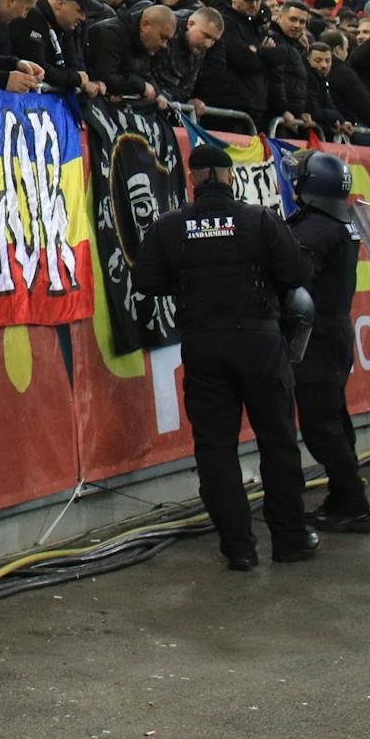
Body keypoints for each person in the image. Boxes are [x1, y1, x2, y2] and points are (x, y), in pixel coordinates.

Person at [132, 144, 320, 571]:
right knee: (278, 441)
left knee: (215, 448)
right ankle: (289, 539)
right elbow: (298, 274)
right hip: (260, 341)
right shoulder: (259, 219)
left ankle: (239, 547)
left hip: (204, 343)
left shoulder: (171, 226)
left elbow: (145, 279)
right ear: (230, 176)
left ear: (193, 177)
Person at [287, 152, 370, 533]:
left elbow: (293, 279)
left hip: (317, 335)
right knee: (335, 419)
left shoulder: (314, 229)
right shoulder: (339, 222)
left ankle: (353, 504)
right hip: (334, 330)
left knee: (322, 425)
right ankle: (344, 498)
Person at [3, 0, 98, 97]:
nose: (83, 18)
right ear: (59, 4)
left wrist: (83, 79)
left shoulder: (64, 26)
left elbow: (73, 64)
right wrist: (76, 79)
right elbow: (38, 67)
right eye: (80, 11)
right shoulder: (31, 16)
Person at [89, 2, 177, 102]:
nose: (164, 45)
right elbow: (106, 77)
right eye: (163, 37)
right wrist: (141, 85)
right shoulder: (109, 34)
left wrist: (157, 94)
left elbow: (144, 73)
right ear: (145, 25)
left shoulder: (142, 43)